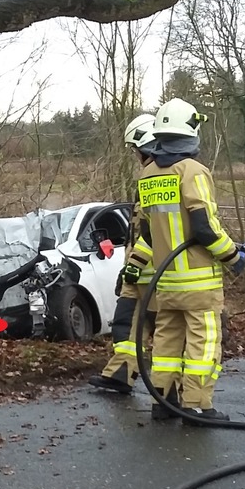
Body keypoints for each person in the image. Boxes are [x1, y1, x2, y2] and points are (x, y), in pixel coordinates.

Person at [124, 97, 245, 425]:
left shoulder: (148, 173)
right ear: (190, 131)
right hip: (199, 282)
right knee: (203, 345)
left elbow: (149, 230)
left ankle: (163, 403)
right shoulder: (193, 171)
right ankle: (197, 406)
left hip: (166, 281)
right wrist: (233, 255)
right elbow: (204, 228)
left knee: (165, 341)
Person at [88, 114, 158, 394]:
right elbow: (138, 231)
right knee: (125, 322)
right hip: (136, 269)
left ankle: (173, 388)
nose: (136, 156)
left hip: (156, 272)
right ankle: (120, 373)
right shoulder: (147, 177)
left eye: (136, 149)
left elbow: (153, 231)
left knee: (163, 329)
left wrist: (136, 263)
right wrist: (127, 267)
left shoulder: (161, 176)